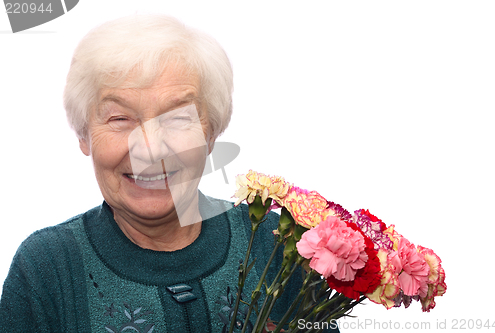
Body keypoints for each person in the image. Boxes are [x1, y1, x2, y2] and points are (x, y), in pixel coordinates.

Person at [0, 14, 321, 333]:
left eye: (177, 118)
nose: (150, 149)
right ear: (84, 136)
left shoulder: (278, 246)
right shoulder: (46, 268)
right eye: (120, 118)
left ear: (210, 134)